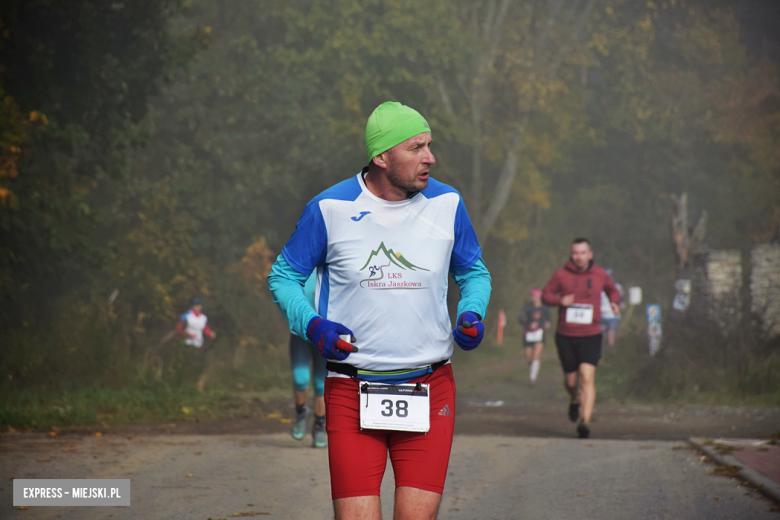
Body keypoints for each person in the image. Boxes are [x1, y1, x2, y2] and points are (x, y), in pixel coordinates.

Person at [268, 101, 491, 520]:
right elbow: (283, 277)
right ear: (382, 157)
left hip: (430, 385)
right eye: (416, 148)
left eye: (430, 145)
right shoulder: (328, 208)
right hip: (352, 390)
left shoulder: (447, 203)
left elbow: (474, 272)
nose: (431, 158)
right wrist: (311, 324)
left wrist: (472, 312)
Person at [542, 238, 619, 439]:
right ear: (571, 255)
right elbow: (545, 295)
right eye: (575, 253)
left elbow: (612, 289)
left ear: (590, 254)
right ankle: (575, 398)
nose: (579, 257)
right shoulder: (561, 274)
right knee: (571, 381)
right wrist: (560, 300)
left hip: (591, 335)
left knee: (587, 376)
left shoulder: (600, 274)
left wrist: (615, 302)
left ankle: (585, 421)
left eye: (583, 253)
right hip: (566, 335)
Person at [289, 271, 328, 448]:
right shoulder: (300, 268)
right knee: (300, 378)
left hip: (324, 336)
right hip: (300, 335)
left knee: (321, 385)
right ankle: (301, 413)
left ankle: (319, 426)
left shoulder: (332, 268)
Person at [176, 298, 217, 391]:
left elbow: (205, 328)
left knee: (199, 362)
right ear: (192, 306)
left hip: (199, 342)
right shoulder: (187, 315)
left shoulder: (203, 317)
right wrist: (186, 334)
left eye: (199, 305)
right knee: (186, 362)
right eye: (196, 305)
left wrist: (210, 333)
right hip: (187, 342)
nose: (198, 307)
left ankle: (196, 383)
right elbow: (179, 328)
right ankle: (182, 383)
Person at [517, 288, 551, 386]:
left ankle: (532, 379)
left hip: (540, 334)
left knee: (536, 355)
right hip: (528, 333)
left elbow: (548, 319)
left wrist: (547, 324)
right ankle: (533, 368)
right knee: (528, 358)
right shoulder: (527, 307)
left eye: (533, 295)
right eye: (531, 295)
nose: (532, 297)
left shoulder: (544, 308)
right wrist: (528, 324)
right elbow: (521, 319)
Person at [599, 269, 623, 351]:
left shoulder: (617, 286)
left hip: (612, 314)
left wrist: (621, 305)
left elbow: (622, 298)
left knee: (611, 332)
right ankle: (601, 349)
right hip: (601, 314)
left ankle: (611, 350)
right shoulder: (599, 286)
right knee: (601, 334)